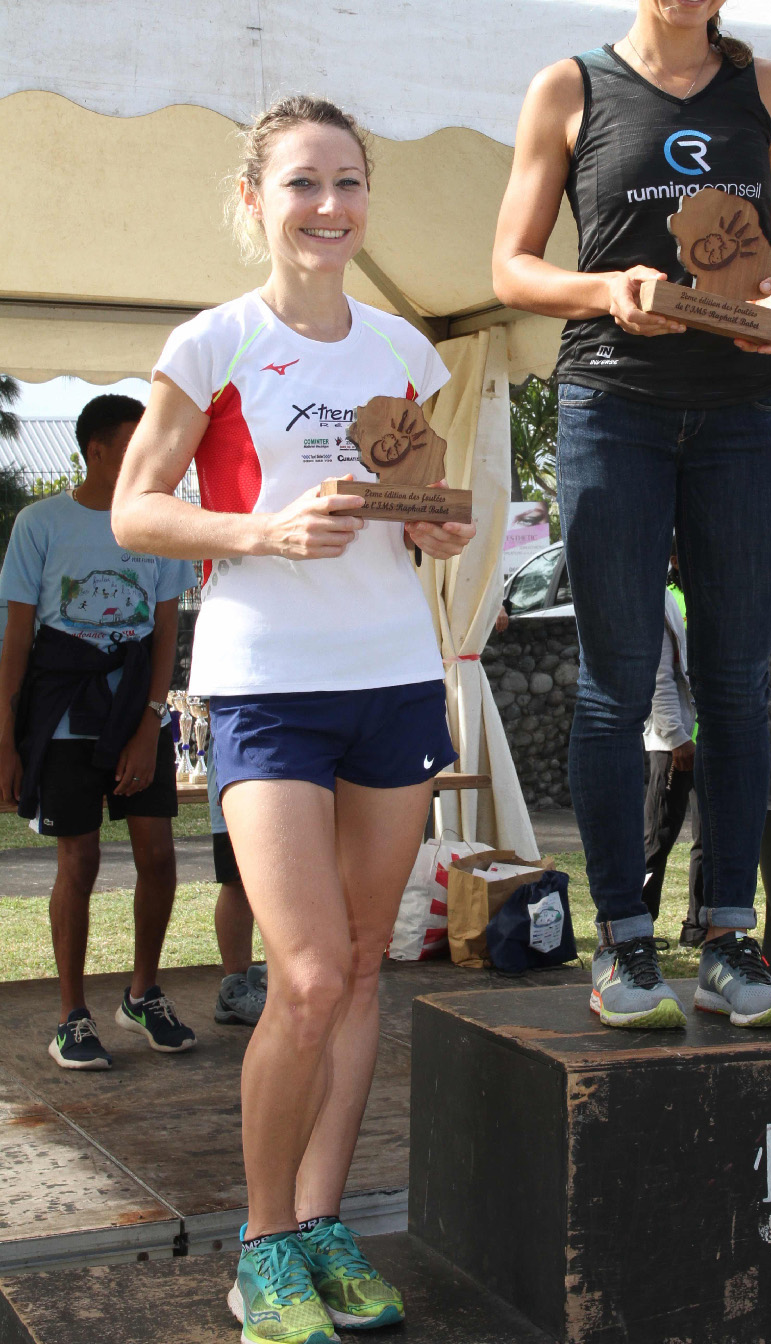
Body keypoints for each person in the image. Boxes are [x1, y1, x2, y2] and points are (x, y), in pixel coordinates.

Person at [111, 95, 475, 1344]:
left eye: (349, 183)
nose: (329, 207)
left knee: (368, 967)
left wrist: (435, 522)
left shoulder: (407, 352)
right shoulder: (211, 343)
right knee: (308, 974)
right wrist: (257, 531)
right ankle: (262, 1244)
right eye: (303, 184)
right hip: (265, 680)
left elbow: (422, 498)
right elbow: (136, 513)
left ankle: (325, 1225)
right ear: (256, 200)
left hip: (391, 675)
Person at [493, 0, 771, 1030]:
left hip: (743, 410)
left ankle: (728, 938)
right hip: (612, 407)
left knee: (733, 685)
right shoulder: (570, 89)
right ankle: (623, 946)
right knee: (618, 688)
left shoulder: (767, 83)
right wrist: (604, 286)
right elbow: (510, 267)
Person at [0, 395, 196, 1069]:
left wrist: (149, 721)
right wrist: (4, 737)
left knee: (160, 858)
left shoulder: (160, 523)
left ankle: (143, 994)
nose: (152, 456)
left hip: (136, 712)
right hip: (65, 717)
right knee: (77, 863)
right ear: (99, 452)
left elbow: (166, 628)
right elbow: (18, 634)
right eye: (135, 443)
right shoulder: (41, 523)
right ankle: (71, 1016)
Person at [641, 568, 704, 943]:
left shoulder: (670, 596)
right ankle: (640, 926)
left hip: (691, 735)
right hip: (672, 742)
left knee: (704, 836)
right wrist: (676, 737)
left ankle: (698, 926)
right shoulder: (656, 598)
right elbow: (659, 678)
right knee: (658, 836)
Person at [208, 742, 267, 1026]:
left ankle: (276, 976)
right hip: (238, 755)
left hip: (295, 760)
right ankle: (234, 988)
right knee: (237, 878)